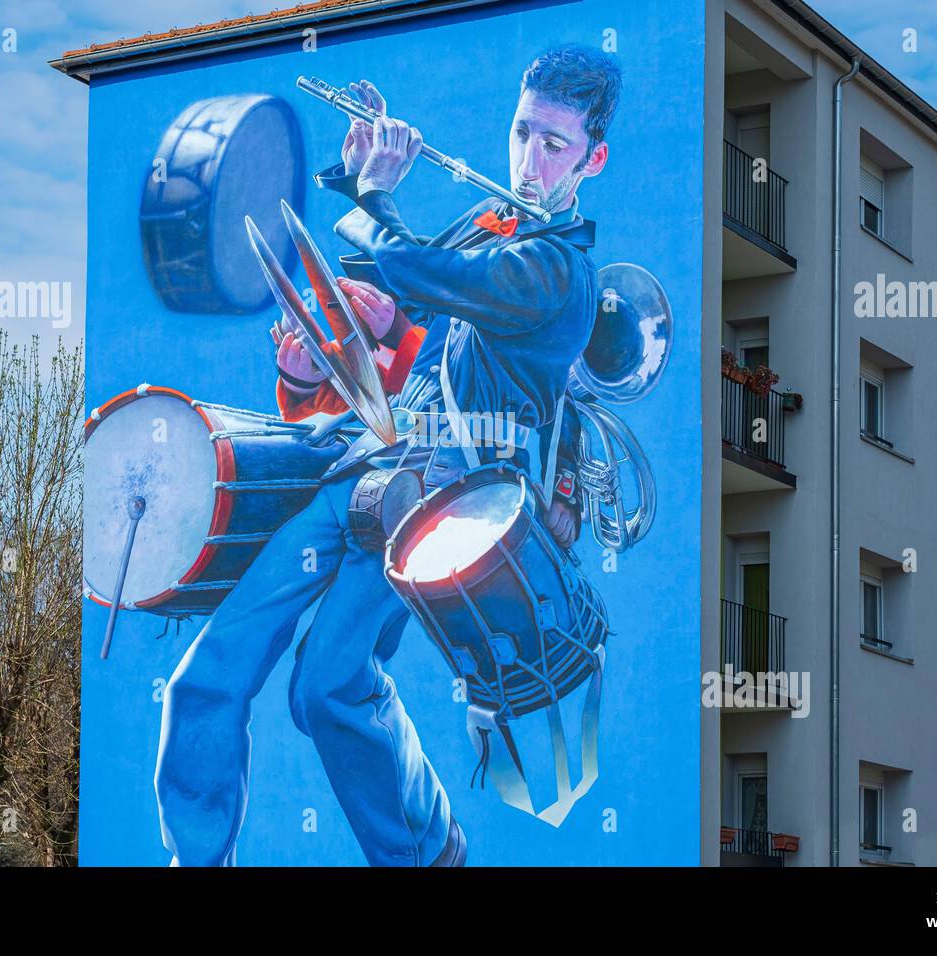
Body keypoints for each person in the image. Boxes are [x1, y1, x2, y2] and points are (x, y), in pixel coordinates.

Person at [154, 45, 622, 866]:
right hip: (370, 471)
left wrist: (377, 195)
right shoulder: (490, 233)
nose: (529, 159)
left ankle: (426, 853)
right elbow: (391, 287)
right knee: (206, 677)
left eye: (555, 145)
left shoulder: (558, 273)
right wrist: (355, 178)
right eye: (522, 133)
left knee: (325, 688)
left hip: (445, 497)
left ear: (593, 158)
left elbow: (419, 270)